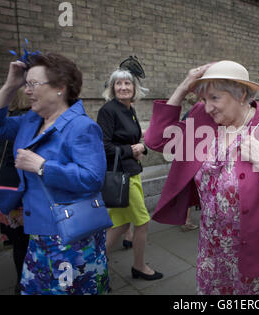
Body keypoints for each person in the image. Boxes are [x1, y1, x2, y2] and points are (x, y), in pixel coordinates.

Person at [144, 60, 259, 295]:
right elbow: (156, 141)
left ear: (241, 94)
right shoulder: (203, 121)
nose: (207, 107)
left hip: (251, 249)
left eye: (214, 98)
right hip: (211, 248)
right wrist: (184, 87)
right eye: (203, 100)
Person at [0, 53, 109, 295]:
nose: (26, 91)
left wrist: (42, 166)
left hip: (69, 235)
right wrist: (9, 85)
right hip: (38, 233)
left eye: (33, 84)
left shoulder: (81, 127)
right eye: (26, 84)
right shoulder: (31, 121)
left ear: (60, 88)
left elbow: (92, 178)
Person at [97, 61, 163, 281]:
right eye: (118, 83)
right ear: (112, 87)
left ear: (134, 88)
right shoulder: (108, 110)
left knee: (121, 223)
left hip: (130, 172)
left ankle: (94, 262)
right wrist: (130, 149)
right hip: (121, 176)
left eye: (127, 83)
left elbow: (131, 140)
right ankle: (139, 266)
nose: (123, 87)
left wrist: (140, 146)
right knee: (142, 222)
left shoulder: (129, 109)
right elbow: (103, 146)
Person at [0, 88, 30, 294]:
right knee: (25, 240)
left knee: (18, 240)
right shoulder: (26, 123)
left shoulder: (8, 120)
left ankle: (20, 280)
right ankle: (24, 281)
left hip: (5, 184)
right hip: (19, 187)